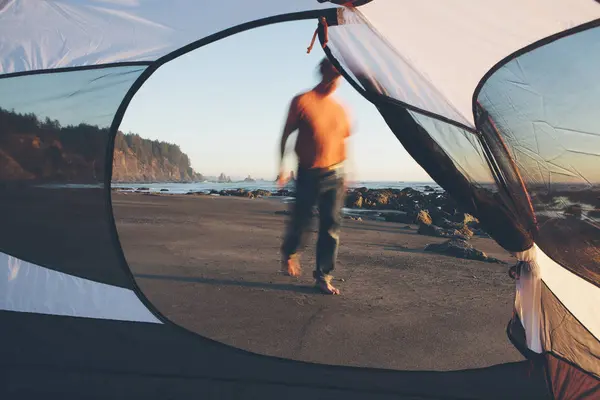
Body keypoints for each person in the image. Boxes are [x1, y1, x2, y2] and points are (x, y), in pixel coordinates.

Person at [277, 58, 351, 295]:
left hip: (336, 173)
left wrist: (348, 172)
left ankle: (323, 276)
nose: (336, 81)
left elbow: (342, 142)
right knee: (301, 220)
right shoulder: (302, 101)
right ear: (322, 73)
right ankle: (290, 253)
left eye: (339, 78)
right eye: (333, 76)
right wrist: (281, 166)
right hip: (308, 171)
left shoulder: (340, 109)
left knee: (331, 226)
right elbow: (286, 135)